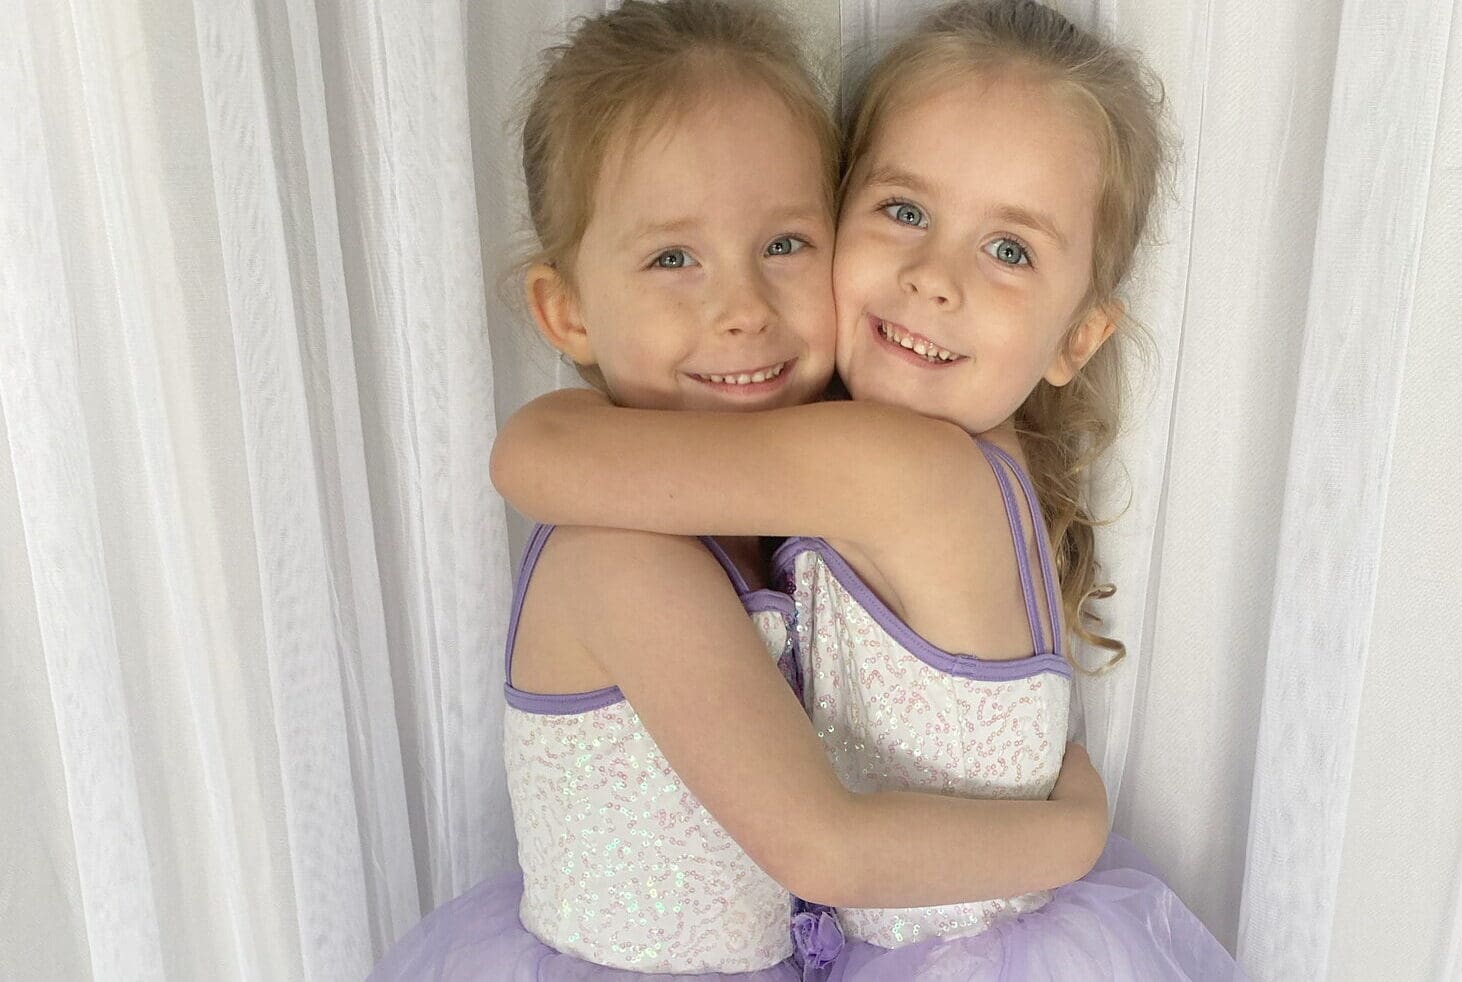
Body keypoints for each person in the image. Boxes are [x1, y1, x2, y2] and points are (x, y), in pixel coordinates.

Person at [490, 2, 1248, 978]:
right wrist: (1076, 830)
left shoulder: (895, 464)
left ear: (1078, 337)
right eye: (905, 212)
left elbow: (537, 454)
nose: (934, 278)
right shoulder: (647, 540)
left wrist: (1077, 832)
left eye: (783, 244)